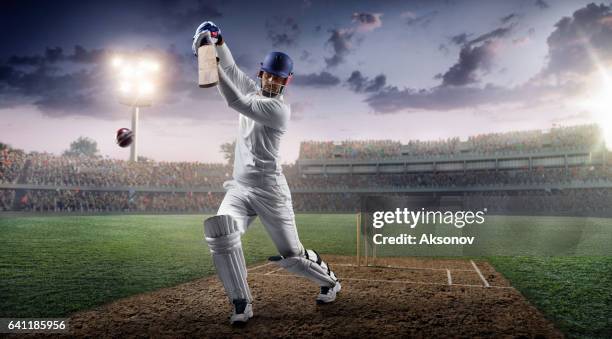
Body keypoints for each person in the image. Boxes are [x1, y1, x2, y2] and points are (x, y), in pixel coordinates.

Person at [192, 21, 340, 325]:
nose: (272, 81)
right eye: (269, 74)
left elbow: (234, 100)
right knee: (222, 234)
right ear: (261, 73)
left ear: (288, 82)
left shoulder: (279, 111)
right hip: (240, 188)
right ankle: (241, 303)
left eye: (278, 78)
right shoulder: (253, 88)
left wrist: (208, 60)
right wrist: (218, 42)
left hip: (271, 191)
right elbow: (232, 71)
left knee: (294, 257)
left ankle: (330, 281)